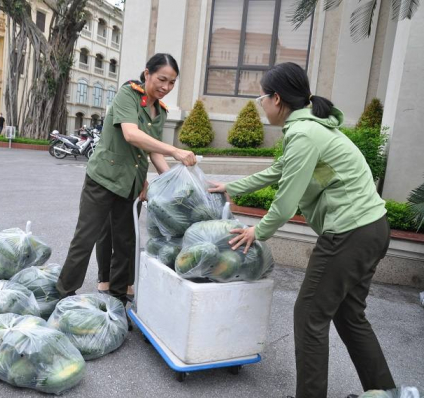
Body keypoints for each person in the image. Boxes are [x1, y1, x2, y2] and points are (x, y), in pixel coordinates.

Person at [209, 62, 395, 398]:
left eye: (260, 98)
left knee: (309, 315)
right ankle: (384, 392)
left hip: (350, 232)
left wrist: (258, 232)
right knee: (349, 315)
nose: (260, 105)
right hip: (372, 228)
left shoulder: (305, 133)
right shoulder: (310, 129)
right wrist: (231, 187)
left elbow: (285, 202)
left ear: (276, 98)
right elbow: (278, 170)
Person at [56, 53, 197, 311]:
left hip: (131, 184)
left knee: (125, 244)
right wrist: (175, 151)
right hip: (103, 179)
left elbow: (152, 152)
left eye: (172, 82)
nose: (166, 87)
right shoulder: (128, 95)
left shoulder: (160, 111)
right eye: (162, 79)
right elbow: (132, 135)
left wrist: (171, 182)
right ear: (147, 73)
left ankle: (118, 300)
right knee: (85, 238)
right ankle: (64, 293)